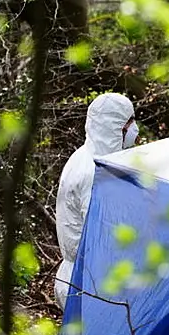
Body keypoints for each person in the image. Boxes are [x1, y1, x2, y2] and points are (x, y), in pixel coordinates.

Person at [54, 92, 139, 311]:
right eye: (130, 122)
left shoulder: (85, 156)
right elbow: (103, 238)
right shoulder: (95, 174)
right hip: (90, 286)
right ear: (116, 126)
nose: (134, 129)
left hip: (82, 278)